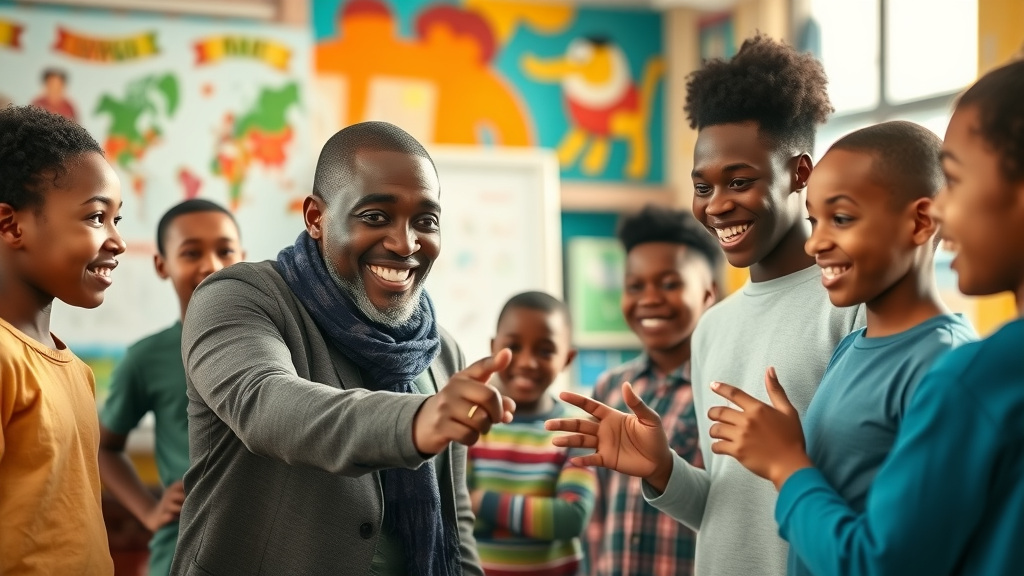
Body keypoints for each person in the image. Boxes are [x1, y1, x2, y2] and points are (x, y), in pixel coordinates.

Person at [546, 35, 863, 576]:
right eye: (702, 186)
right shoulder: (712, 329)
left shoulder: (848, 304)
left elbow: (859, 500)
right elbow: (728, 514)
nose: (717, 205)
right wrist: (663, 469)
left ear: (800, 173)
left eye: (739, 181)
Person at [701, 58, 1024, 576]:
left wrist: (788, 465)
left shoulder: (955, 370)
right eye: (816, 220)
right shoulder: (853, 347)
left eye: (843, 218)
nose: (815, 241)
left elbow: (879, 560)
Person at [169, 121, 515, 576]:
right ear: (315, 217)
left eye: (425, 221)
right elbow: (268, 405)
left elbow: (456, 519)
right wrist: (414, 420)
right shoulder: (237, 296)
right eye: (375, 216)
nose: (405, 243)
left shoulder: (441, 350)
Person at [0, 105, 125, 575]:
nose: (118, 241)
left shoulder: (76, 371)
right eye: (96, 217)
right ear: (13, 226)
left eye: (117, 219)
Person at [98, 199, 244, 576]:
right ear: (162, 265)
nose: (211, 265)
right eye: (191, 252)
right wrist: (149, 511)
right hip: (181, 552)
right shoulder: (147, 358)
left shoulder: (278, 347)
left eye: (225, 250)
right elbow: (103, 448)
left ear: (243, 258)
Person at [583, 205, 719, 576]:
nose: (649, 298)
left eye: (670, 283)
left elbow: (732, 510)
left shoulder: (724, 388)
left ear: (710, 294)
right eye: (635, 286)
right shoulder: (609, 388)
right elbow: (597, 509)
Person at [467, 291, 595, 576]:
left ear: (568, 358)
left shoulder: (576, 430)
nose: (527, 362)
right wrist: (538, 516)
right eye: (513, 346)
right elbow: (454, 512)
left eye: (545, 350)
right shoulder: (471, 424)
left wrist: (479, 501)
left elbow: (571, 519)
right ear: (494, 347)